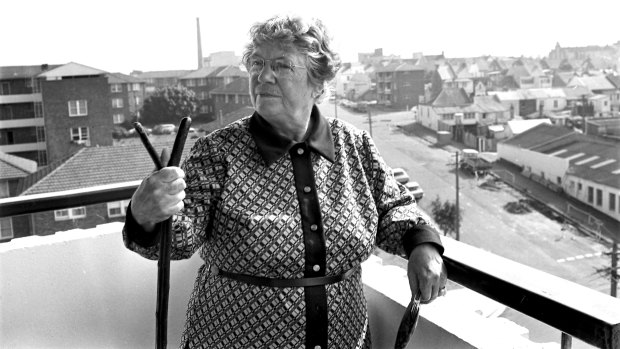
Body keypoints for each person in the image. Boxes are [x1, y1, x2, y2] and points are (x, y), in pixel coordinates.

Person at [124, 14, 447, 349]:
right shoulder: (218, 152)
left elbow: (394, 207)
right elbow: (178, 237)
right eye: (257, 63)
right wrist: (145, 214)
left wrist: (423, 245)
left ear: (318, 82)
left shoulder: (354, 145)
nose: (263, 75)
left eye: (281, 65)